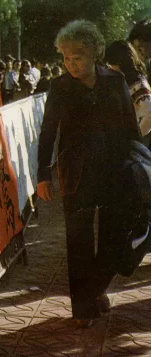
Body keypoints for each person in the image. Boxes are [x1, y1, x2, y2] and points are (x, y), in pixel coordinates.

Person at [37, 20, 141, 328]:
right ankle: (83, 309)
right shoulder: (60, 87)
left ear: (94, 53)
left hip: (115, 170)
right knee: (78, 239)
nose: (71, 64)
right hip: (76, 173)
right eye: (66, 58)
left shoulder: (115, 82)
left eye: (77, 57)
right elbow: (48, 133)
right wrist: (43, 174)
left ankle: (95, 288)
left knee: (114, 235)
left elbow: (131, 127)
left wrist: (140, 163)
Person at [105, 40, 151, 142]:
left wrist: (133, 139)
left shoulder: (138, 85)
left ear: (121, 62)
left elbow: (149, 117)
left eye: (110, 65)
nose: (108, 68)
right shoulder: (122, 81)